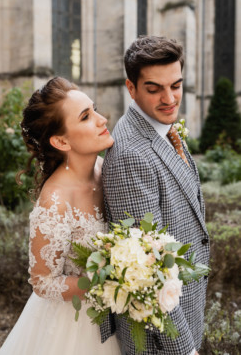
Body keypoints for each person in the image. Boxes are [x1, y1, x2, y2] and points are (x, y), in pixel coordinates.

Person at [101, 36, 210, 355]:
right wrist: (184, 349)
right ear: (131, 88)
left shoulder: (163, 125)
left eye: (175, 85)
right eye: (154, 89)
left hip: (186, 308)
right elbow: (147, 270)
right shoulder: (130, 155)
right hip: (162, 339)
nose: (169, 98)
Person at [0, 77, 121, 355]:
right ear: (61, 140)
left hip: (119, 318)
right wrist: (108, 281)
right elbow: (42, 282)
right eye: (86, 117)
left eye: (95, 109)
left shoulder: (108, 169)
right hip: (74, 328)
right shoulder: (55, 201)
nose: (102, 120)